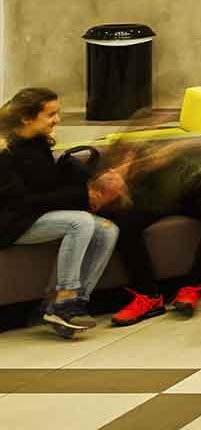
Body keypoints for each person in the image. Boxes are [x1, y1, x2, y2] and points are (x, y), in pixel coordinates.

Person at [0, 87, 119, 336]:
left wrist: (92, 181)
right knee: (80, 222)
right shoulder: (5, 152)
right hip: (10, 223)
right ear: (27, 117)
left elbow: (50, 180)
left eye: (58, 112)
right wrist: (80, 197)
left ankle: (71, 306)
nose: (58, 119)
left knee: (108, 230)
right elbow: (23, 202)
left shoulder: (37, 142)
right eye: (51, 114)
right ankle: (64, 300)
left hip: (31, 215)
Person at [98, 123, 201, 324]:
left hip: (190, 189)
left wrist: (161, 159)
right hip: (151, 198)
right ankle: (148, 297)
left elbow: (194, 175)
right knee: (124, 227)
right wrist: (125, 185)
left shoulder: (166, 151)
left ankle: (194, 285)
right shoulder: (117, 155)